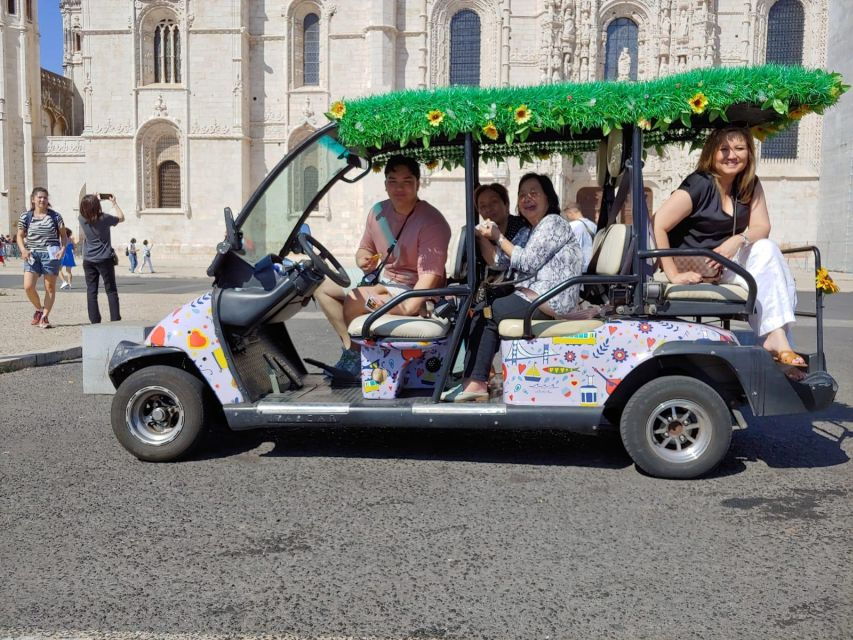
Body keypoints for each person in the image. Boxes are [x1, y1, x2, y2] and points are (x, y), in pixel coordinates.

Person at [653, 126, 805, 379]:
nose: (731, 155)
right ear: (712, 153)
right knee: (769, 265)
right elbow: (658, 222)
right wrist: (672, 274)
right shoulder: (699, 183)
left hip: (724, 264)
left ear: (749, 153)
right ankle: (779, 344)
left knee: (767, 250)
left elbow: (762, 227)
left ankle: (776, 339)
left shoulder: (748, 185)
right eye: (724, 149)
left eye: (739, 148)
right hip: (692, 266)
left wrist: (738, 239)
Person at [442, 173, 583, 402]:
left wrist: (498, 236)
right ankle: (473, 380)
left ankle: (476, 382)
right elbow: (501, 262)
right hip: (535, 296)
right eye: (522, 194)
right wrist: (483, 238)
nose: (527, 198)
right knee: (481, 307)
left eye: (534, 193)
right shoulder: (530, 230)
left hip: (550, 299)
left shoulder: (553, 223)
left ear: (548, 198)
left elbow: (526, 261)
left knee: (488, 312)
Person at [314, 155, 452, 377]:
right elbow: (364, 250)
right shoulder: (378, 212)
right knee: (322, 286)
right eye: (393, 181)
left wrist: (409, 306)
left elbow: (431, 276)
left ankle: (355, 360)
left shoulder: (431, 222)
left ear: (418, 183)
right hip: (382, 279)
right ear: (385, 185)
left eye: (407, 181)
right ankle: (352, 351)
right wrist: (363, 260)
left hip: (412, 291)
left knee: (354, 300)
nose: (400, 188)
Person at [17, 187, 67, 329]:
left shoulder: (56, 216)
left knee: (49, 287)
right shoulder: (25, 216)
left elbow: (63, 235)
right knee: (28, 286)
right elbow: (19, 236)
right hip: (32, 254)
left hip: (51, 254)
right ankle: (39, 309)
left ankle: (44, 317)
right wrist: (22, 249)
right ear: (33, 199)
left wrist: (63, 249)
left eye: (45, 197)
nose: (42, 200)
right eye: (39, 197)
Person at [78, 193, 125, 324]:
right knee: (110, 290)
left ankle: (94, 320)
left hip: (88, 259)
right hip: (104, 258)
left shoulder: (81, 218)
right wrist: (114, 203)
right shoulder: (105, 218)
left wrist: (93, 200)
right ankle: (115, 319)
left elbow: (87, 209)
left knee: (91, 291)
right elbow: (122, 217)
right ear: (97, 206)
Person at [474, 182, 529, 270]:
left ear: (506, 205)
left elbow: (502, 265)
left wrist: (483, 238)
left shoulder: (522, 227)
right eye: (483, 206)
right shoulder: (479, 232)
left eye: (494, 202)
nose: (488, 209)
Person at [561, 201, 597, 271]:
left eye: (567, 214)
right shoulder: (593, 225)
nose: (567, 217)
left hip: (578, 267)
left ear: (570, 212)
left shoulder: (572, 226)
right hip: (591, 267)